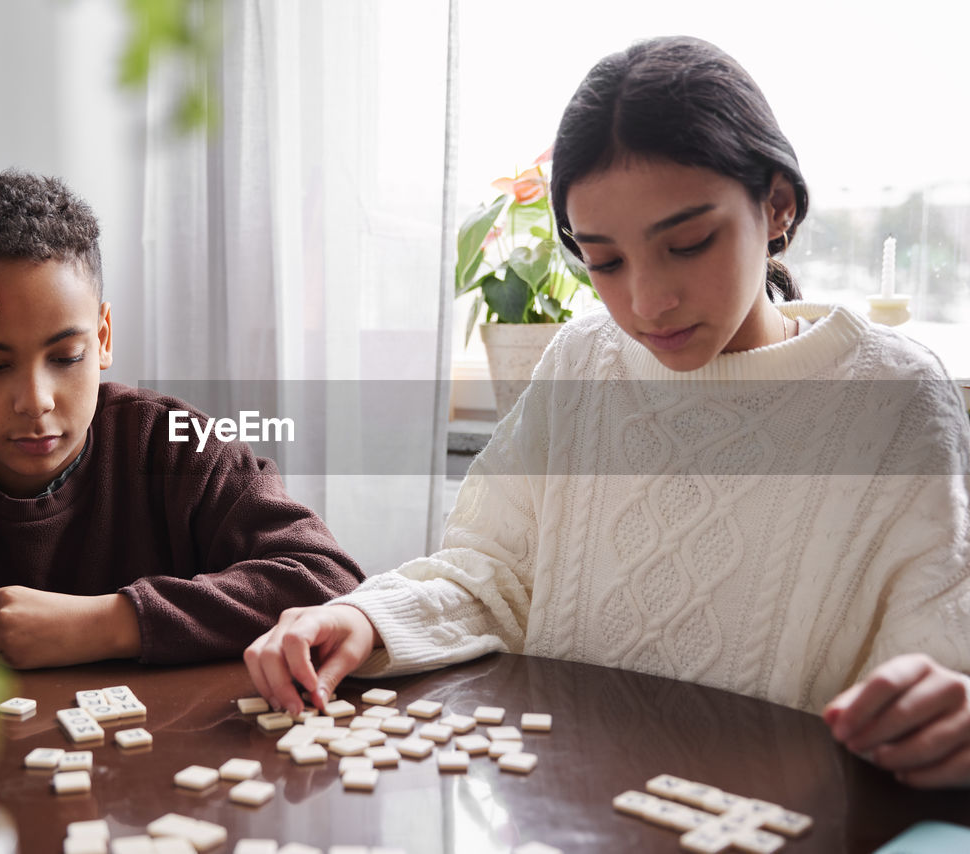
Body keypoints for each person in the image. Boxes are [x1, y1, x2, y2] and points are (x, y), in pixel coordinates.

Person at [245, 36, 970, 789]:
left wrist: (948, 717)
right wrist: (368, 618)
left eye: (688, 244)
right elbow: (491, 573)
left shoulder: (891, 395)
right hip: (566, 818)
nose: (647, 302)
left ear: (777, 204)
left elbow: (938, 652)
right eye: (606, 262)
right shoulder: (582, 362)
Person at [0, 171, 363, 695]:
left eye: (66, 356)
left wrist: (105, 622)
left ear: (101, 338)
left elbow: (327, 578)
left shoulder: (173, 443)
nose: (35, 401)